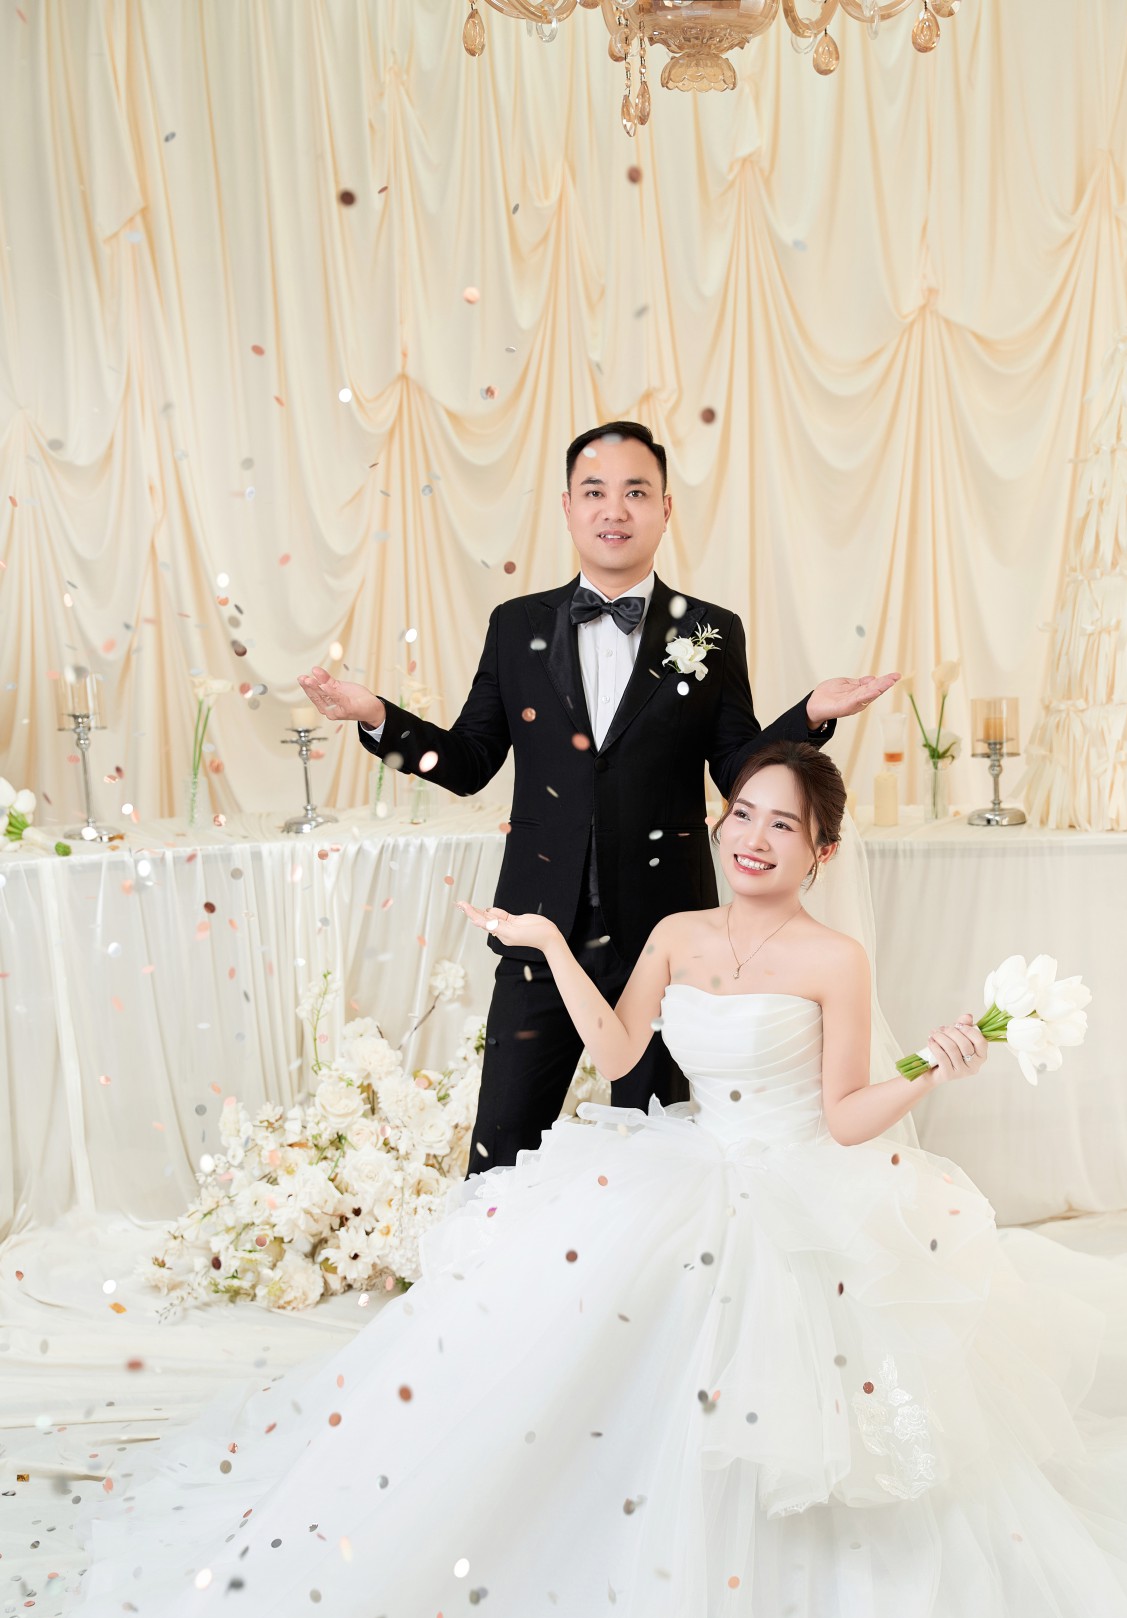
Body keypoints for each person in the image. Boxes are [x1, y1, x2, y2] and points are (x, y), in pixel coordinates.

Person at [33, 744, 1127, 1618]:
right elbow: (623, 1049)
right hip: (680, 1171)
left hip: (793, 1192)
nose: (754, 837)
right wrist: (544, 944)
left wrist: (934, 1064)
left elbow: (842, 1116)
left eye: (783, 825)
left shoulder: (833, 958)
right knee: (582, 1372)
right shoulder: (676, 932)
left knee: (772, 1398)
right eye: (742, 814)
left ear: (822, 850)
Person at [296, 420, 899, 1175]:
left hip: (667, 937)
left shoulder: (710, 631)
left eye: (635, 492)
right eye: (595, 492)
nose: (614, 509)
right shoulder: (516, 626)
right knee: (501, 1150)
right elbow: (469, 762)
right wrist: (377, 717)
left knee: (660, 1156)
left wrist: (807, 715)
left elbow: (737, 774)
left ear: (666, 509)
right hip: (538, 924)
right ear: (567, 507)